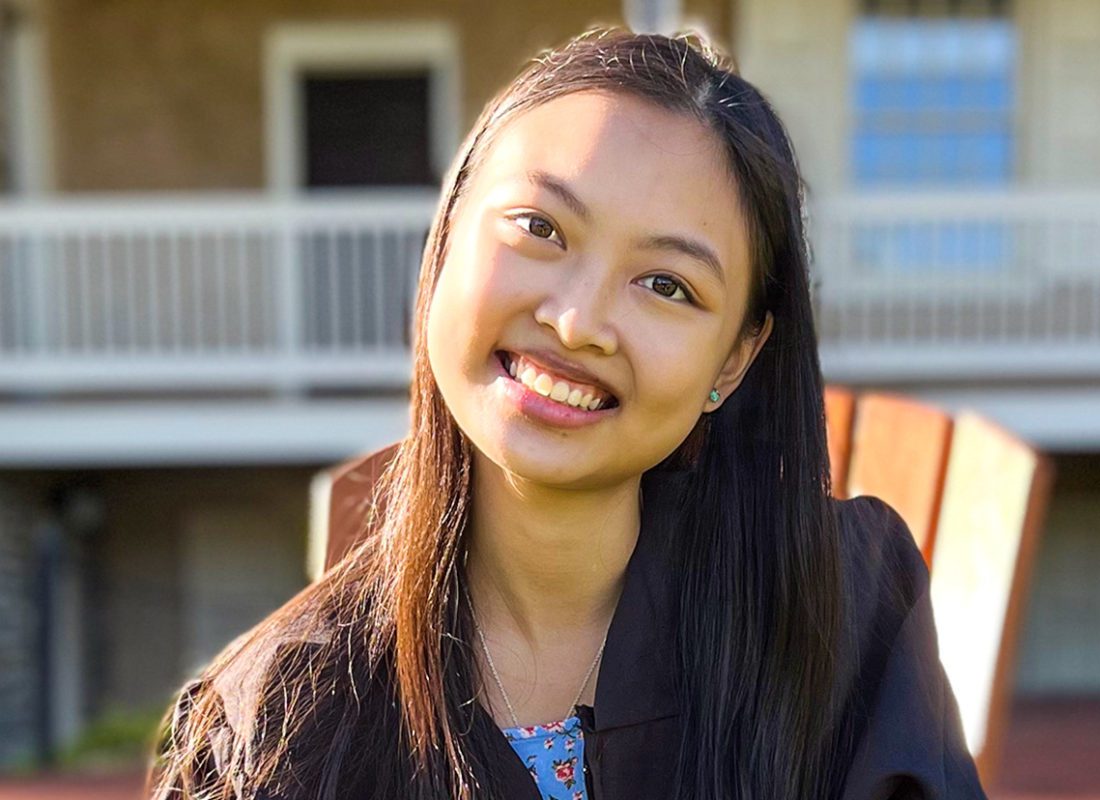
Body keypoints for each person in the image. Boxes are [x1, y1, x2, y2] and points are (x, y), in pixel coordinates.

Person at [148, 26, 987, 800]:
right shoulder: (276, 724)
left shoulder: (844, 622)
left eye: (667, 285)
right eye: (538, 227)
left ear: (734, 357)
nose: (578, 322)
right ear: (447, 238)